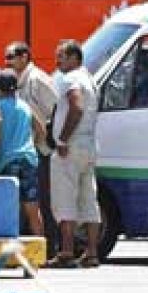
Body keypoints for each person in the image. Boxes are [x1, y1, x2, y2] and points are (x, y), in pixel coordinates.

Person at [49, 39, 101, 268]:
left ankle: (67, 251)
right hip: (89, 144)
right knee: (89, 199)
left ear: (74, 58)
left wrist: (62, 139)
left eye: (61, 56)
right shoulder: (89, 78)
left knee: (65, 197)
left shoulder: (71, 79)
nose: (57, 61)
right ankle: (92, 252)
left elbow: (76, 107)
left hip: (70, 147)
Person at [5, 42, 58, 248]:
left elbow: (55, 109)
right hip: (27, 150)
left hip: (41, 149)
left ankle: (50, 247)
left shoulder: (37, 79)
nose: (7, 62)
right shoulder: (18, 81)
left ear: (24, 57)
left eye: (11, 57)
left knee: (43, 201)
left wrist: (46, 138)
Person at [0, 70, 44, 238]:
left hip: (7, 162)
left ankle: (9, 249)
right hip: (28, 159)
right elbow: (41, 129)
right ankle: (40, 248)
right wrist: (32, 145)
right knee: (33, 209)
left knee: (8, 210)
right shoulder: (25, 106)